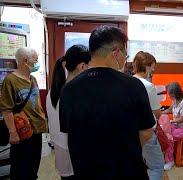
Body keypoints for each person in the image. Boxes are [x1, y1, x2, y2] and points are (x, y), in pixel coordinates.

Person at [59, 26, 155, 179]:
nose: (125, 58)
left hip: (86, 172)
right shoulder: (134, 86)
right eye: (125, 53)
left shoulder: (68, 89)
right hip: (127, 171)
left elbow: (68, 132)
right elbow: (146, 132)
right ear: (116, 53)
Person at [0, 47, 47, 180]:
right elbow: (6, 109)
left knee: (33, 168)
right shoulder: (10, 81)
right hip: (22, 132)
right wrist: (12, 132)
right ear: (26, 62)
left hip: (37, 131)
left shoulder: (33, 79)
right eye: (36, 60)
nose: (37, 63)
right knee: (20, 171)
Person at [46, 45, 90, 180]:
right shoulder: (77, 93)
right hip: (76, 158)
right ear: (82, 66)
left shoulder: (52, 91)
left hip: (61, 153)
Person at [132, 51, 165, 180]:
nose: (153, 70)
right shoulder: (148, 86)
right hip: (146, 131)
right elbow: (157, 113)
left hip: (131, 131)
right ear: (146, 66)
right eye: (152, 67)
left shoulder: (127, 81)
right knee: (157, 166)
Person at [161, 82, 183, 170]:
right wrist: (159, 113)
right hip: (177, 126)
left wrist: (170, 121)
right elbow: (169, 110)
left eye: (170, 94)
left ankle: (170, 161)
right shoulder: (175, 100)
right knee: (163, 133)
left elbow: (182, 119)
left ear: (176, 93)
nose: (168, 96)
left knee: (169, 138)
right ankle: (166, 156)